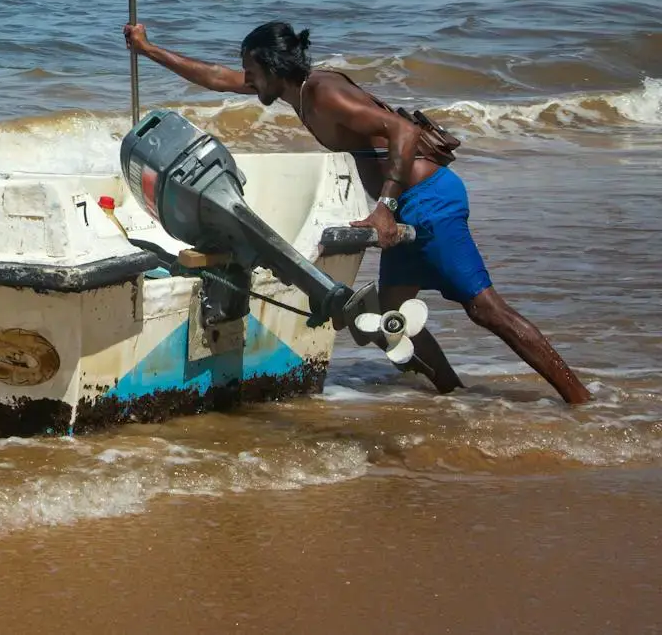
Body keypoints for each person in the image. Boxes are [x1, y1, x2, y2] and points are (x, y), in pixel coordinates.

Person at [124, 20, 590, 405]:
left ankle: (580, 401)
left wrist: (384, 207)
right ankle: (452, 396)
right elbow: (214, 76)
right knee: (392, 319)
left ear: (269, 66)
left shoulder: (324, 93)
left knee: (485, 309)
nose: (245, 78)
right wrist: (148, 49)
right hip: (407, 204)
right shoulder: (296, 91)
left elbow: (402, 131)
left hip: (430, 200)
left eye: (250, 69)